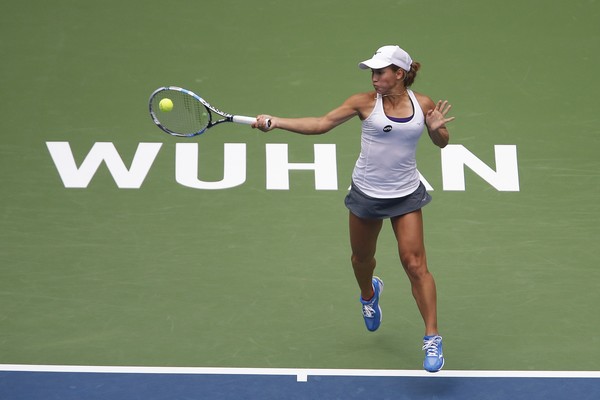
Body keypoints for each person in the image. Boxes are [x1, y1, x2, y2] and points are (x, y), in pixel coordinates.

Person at [252, 45, 454, 373]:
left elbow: (442, 140)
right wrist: (276, 122)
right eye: (372, 73)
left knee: (415, 265)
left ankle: (432, 337)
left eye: (380, 72)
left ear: (399, 74)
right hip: (366, 194)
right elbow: (321, 123)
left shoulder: (424, 104)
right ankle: (368, 293)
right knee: (362, 260)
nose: (374, 78)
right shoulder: (363, 103)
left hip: (405, 195)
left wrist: (436, 130)